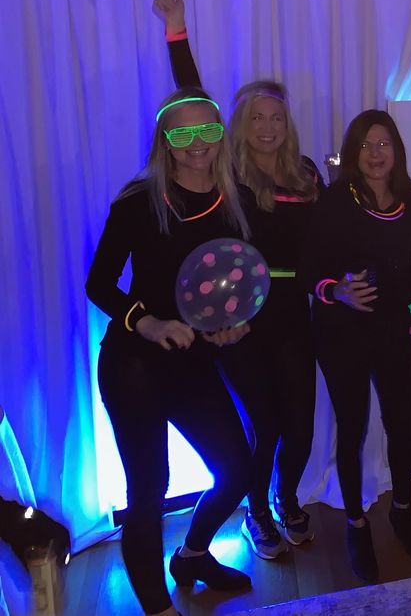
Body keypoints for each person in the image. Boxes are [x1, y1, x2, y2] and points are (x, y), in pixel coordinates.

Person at [152, 0, 323, 560]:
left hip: (295, 315)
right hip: (241, 320)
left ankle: (288, 496)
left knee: (300, 423)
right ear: (241, 125)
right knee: (266, 424)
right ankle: (256, 514)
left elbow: (327, 249)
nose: (268, 126)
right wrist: (177, 29)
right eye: (257, 117)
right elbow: (191, 99)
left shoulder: (306, 174)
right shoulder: (226, 174)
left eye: (277, 117)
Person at [85, 87, 255, 616]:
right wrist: (150, 322)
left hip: (193, 361)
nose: (197, 142)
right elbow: (99, 285)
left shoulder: (236, 197)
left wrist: (234, 324)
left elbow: (234, 280)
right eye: (183, 133)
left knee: (237, 469)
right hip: (134, 363)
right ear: (166, 140)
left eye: (208, 129)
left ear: (221, 134)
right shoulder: (139, 201)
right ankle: (159, 611)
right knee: (149, 493)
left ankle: (193, 554)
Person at [299, 110, 411, 582]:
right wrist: (337, 290)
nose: (376, 154)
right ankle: (356, 522)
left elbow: (409, 270)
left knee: (403, 422)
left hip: (393, 328)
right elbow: (308, 270)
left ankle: (400, 507)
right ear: (354, 152)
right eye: (365, 145)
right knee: (351, 428)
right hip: (341, 333)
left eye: (384, 144)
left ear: (396, 149)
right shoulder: (335, 200)